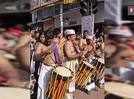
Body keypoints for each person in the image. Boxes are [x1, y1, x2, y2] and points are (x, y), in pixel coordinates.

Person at [64, 29, 81, 99]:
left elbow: (78, 51)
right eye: (73, 36)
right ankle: (67, 96)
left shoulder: (73, 43)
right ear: (68, 37)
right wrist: (79, 54)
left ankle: (70, 94)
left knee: (72, 79)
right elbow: (69, 55)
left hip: (73, 63)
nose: (75, 36)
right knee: (69, 79)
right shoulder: (67, 44)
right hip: (69, 63)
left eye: (74, 35)